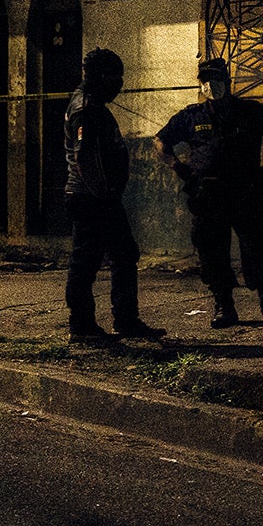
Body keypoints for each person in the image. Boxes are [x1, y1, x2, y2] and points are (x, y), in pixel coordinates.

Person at [154, 58, 263, 327]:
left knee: (256, 250)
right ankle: (224, 307)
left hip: (245, 193)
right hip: (207, 195)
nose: (211, 85)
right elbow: (161, 140)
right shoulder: (192, 115)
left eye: (216, 79)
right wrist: (176, 165)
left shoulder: (251, 111)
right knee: (212, 252)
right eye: (205, 80)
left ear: (228, 82)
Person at [62, 49, 163, 341]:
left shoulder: (91, 104)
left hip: (98, 197)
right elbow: (85, 158)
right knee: (86, 262)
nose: (119, 84)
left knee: (123, 254)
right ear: (101, 77)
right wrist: (103, 195)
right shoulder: (86, 108)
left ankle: (125, 321)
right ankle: (82, 326)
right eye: (115, 78)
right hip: (91, 198)